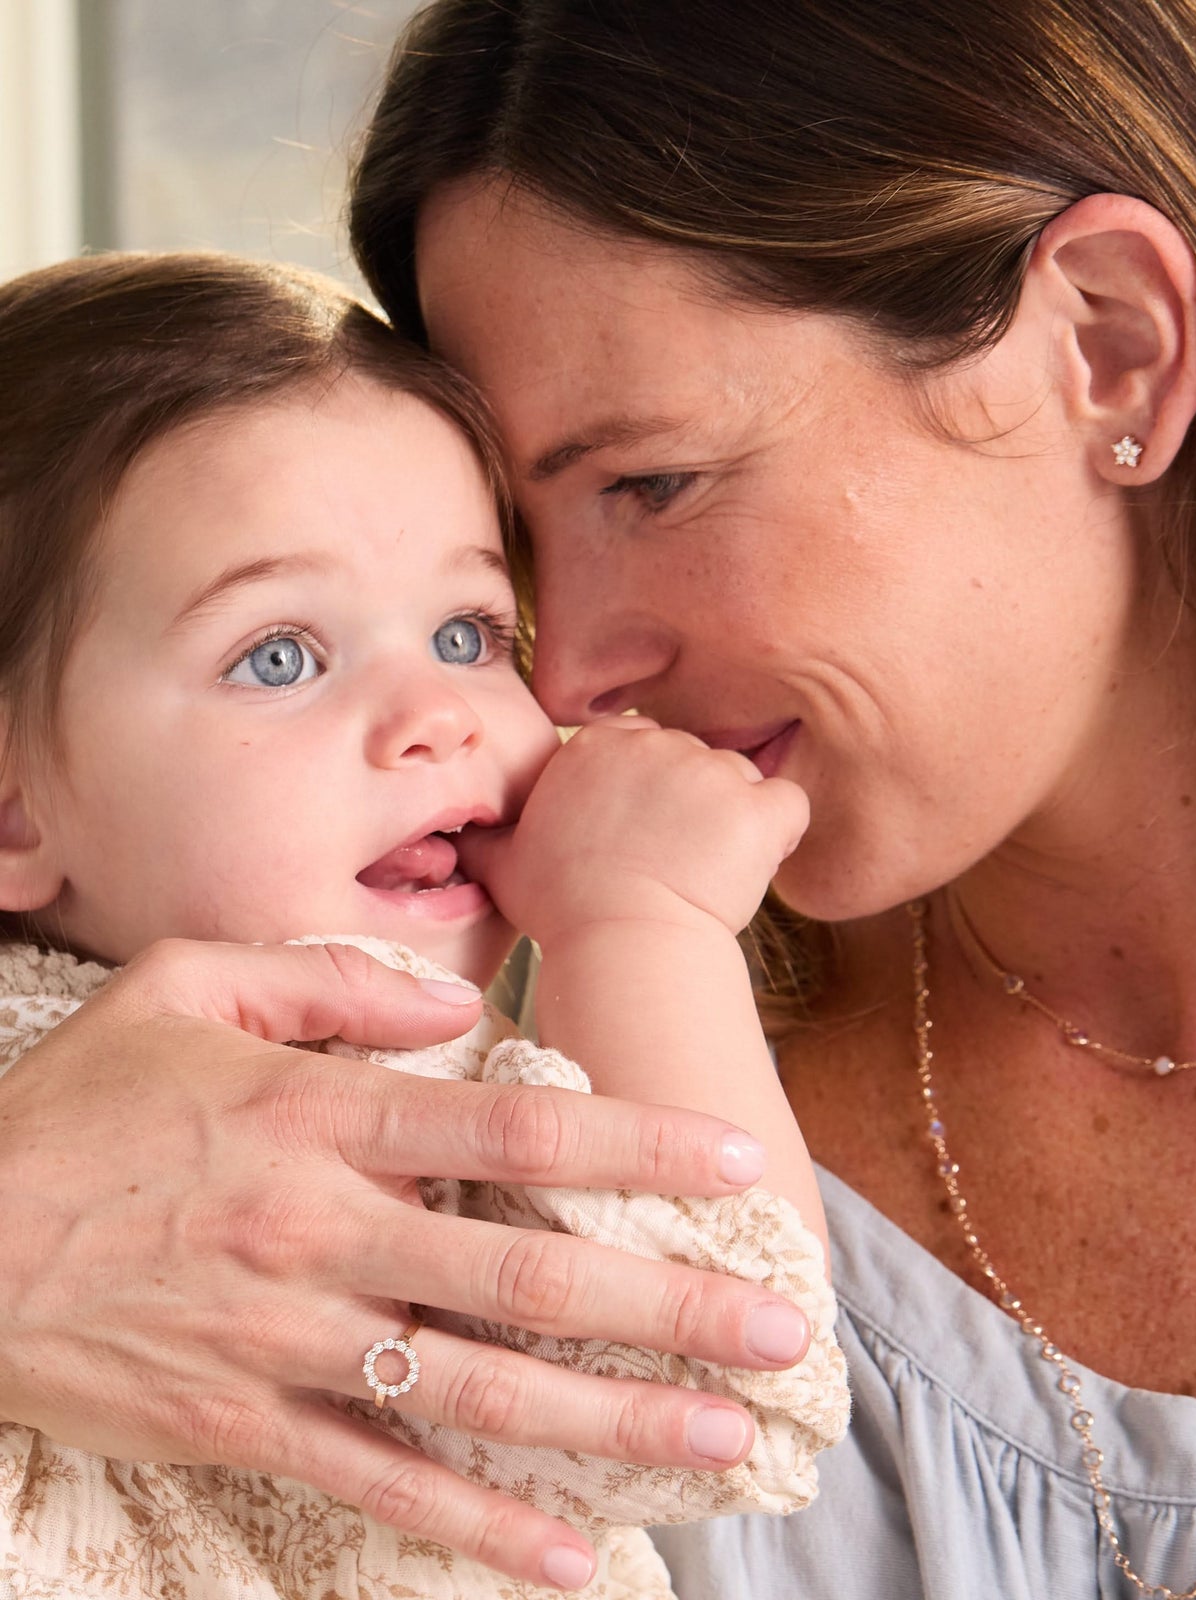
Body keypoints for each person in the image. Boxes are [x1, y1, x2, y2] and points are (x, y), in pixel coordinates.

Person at [338, 0, 1196, 1595]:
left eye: (651, 484)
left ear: (1110, 345)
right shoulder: (548, 1074)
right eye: (512, 549)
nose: (568, 666)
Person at [0, 252, 846, 1600]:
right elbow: (715, 1383)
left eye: (467, 632)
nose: (437, 716)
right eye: (280, 656)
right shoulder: (362, 1103)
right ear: (11, 807)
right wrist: (641, 927)